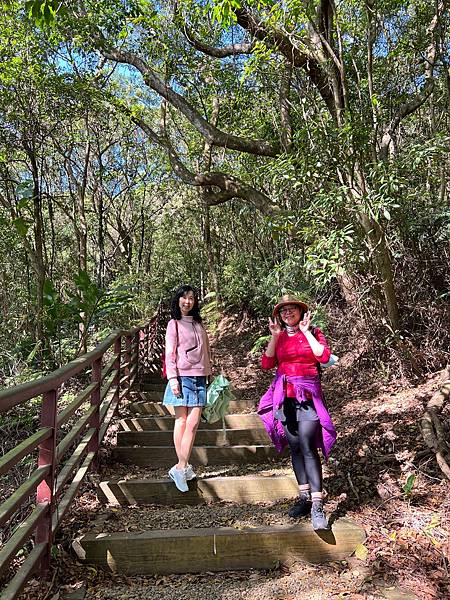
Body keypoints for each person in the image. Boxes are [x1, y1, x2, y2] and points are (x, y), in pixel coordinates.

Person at [259, 294, 337, 530]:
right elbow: (267, 364)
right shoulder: (280, 336)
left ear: (301, 312)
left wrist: (305, 332)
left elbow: (323, 356)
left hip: (308, 397)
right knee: (294, 447)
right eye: (284, 311)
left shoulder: (314, 331)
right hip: (285, 398)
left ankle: (317, 504)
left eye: (292, 309)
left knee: (307, 445)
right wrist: (274, 337)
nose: (288, 313)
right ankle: (303, 497)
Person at [163, 285, 212, 492]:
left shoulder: (199, 323)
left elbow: (207, 350)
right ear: (178, 301)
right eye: (184, 298)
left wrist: (210, 373)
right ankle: (182, 466)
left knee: (193, 423)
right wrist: (173, 379)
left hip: (200, 377)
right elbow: (170, 353)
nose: (187, 302)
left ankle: (182, 467)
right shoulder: (173, 324)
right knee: (182, 421)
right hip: (182, 377)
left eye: (191, 298)